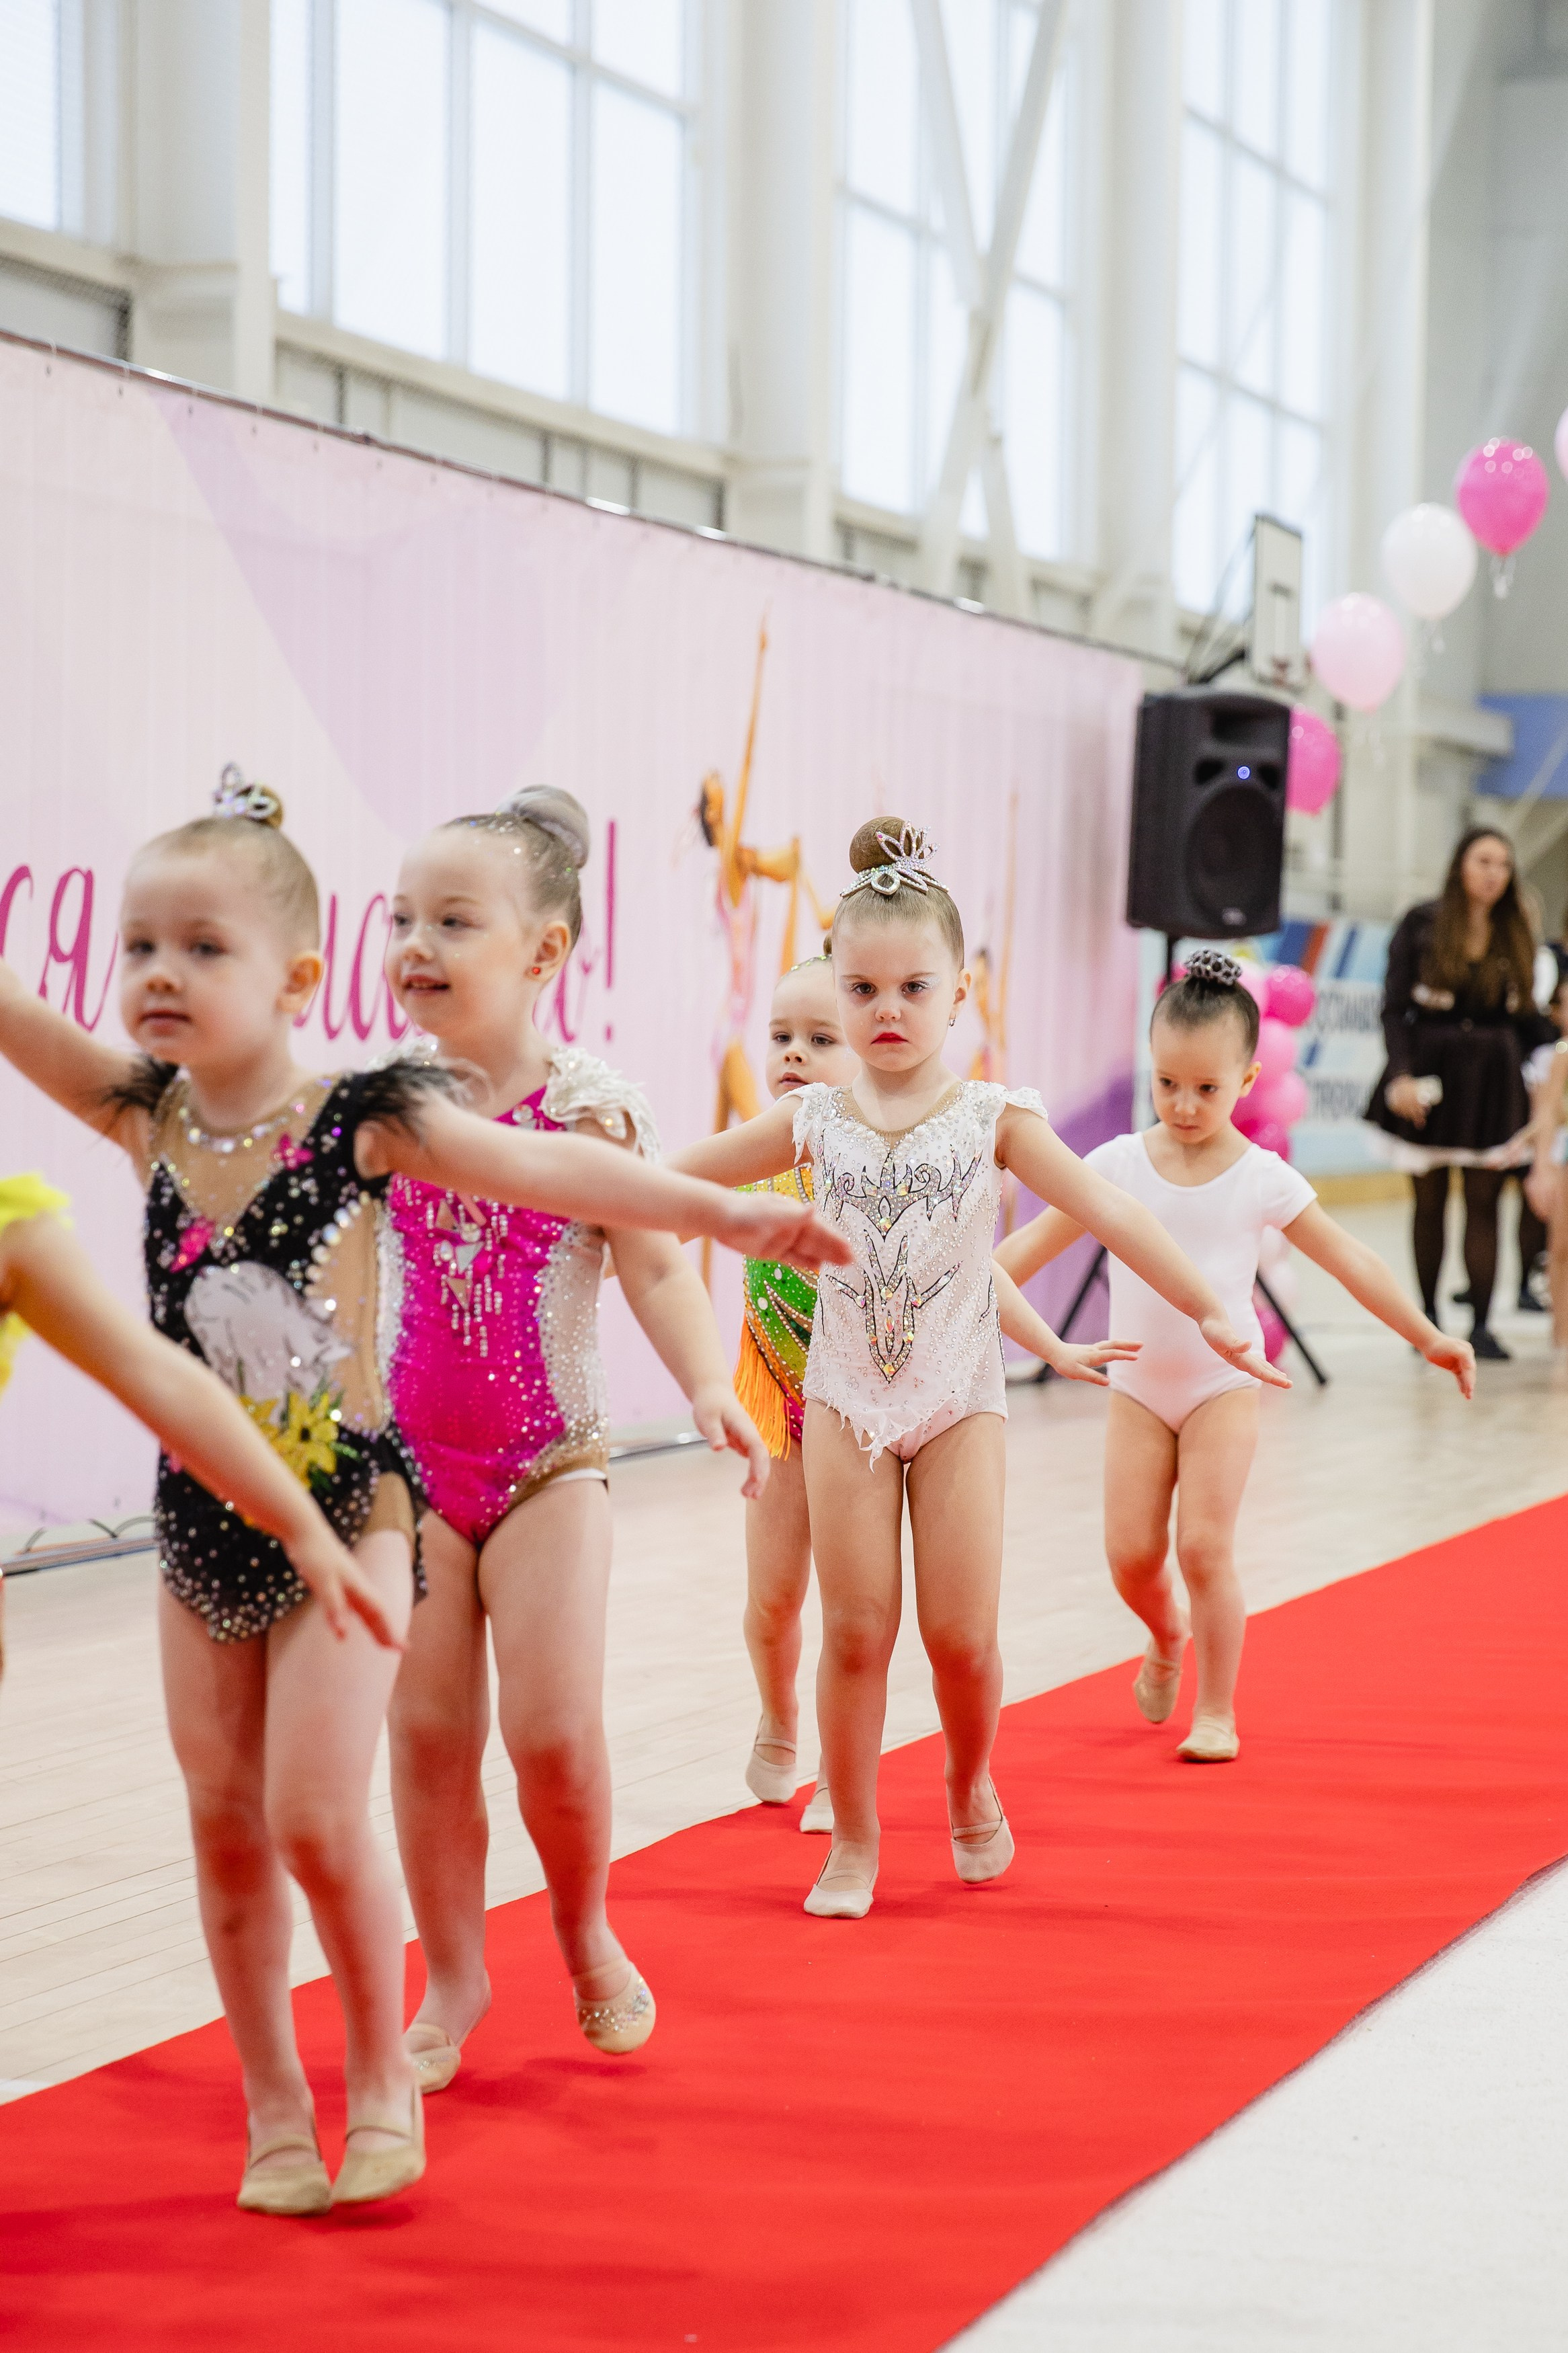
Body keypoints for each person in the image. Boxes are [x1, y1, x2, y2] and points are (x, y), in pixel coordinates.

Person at [0, 781, 846, 2212]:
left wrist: (720, 1223)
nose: (155, 976)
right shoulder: (157, 1118)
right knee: (276, 1804)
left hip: (434, 1481)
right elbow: (33, 1030)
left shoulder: (371, 1117)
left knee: (456, 1770)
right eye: (137, 948)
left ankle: (514, 1978)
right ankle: (331, 2064)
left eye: (199, 948)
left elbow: (564, 1175)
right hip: (231, 1512)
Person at [670, 819, 1286, 1921]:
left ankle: (967, 1786)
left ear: (960, 994)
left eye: (915, 985)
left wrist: (1211, 1305)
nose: (888, 1010)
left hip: (960, 1402)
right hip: (844, 1401)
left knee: (959, 1639)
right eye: (861, 989)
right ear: (836, 994)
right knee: (858, 1633)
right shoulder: (810, 1119)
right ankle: (853, 1838)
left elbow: (1107, 1208)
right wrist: (568, 1207)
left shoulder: (991, 1118)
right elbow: (680, 1186)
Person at [380, 789, 776, 2089]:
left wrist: (710, 1386)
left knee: (549, 1731)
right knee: (427, 1731)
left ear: (542, 955)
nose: (415, 944)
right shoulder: (386, 1112)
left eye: (452, 920)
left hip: (551, 1461)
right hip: (412, 1471)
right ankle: (450, 1970)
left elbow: (655, 1270)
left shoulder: (592, 1109)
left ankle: (582, 1926)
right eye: (401, 920)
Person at [1000, 951, 1475, 1761]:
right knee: (1131, 1556)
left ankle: (1214, 1710)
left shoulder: (1260, 1174)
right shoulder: (1114, 1165)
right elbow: (1024, 1251)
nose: (1184, 1104)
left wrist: (1425, 1332)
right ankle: (1163, 1634)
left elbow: (1346, 1256)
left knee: (1203, 1546)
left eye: (1207, 1088)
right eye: (1166, 1083)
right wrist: (939, 1291)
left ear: (1248, 1079)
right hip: (1139, 1391)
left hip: (1224, 1383)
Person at [732, 956, 857, 1834]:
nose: (793, 1055)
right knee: (772, 1598)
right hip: (778, 1403)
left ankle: (837, 1767)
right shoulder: (752, 1148)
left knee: (854, 1609)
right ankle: (777, 1713)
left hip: (859, 1414)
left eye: (821, 1041)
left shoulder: (873, 1160)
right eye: (781, 1037)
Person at [1366, 827, 1540, 1359]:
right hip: (1428, 1070)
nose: (1493, 872)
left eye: (1503, 865)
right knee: (1429, 1200)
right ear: (1459, 864)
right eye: (1483, 860)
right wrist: (1399, 1076)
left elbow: (1525, 1017)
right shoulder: (1421, 922)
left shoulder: (1513, 928)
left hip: (1492, 1080)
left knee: (1486, 1201)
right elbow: (1395, 1009)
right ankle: (1428, 1323)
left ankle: (1482, 1325)